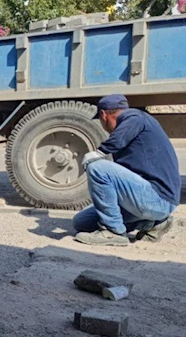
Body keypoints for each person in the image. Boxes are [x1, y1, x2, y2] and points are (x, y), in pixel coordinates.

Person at [73, 94, 181, 246]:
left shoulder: (135, 117)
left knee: (98, 168)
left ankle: (113, 232)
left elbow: (116, 142)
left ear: (103, 115)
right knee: (81, 222)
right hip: (148, 200)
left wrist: (98, 152)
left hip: (158, 198)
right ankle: (154, 223)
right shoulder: (134, 132)